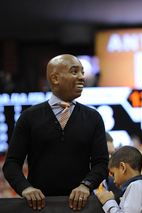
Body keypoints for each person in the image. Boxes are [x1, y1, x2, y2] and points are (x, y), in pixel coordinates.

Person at [2, 54, 109, 211]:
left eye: (82, 73)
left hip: (82, 206)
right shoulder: (29, 117)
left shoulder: (93, 117)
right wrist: (25, 188)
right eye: (74, 72)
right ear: (55, 78)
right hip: (39, 207)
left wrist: (86, 185)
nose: (82, 78)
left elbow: (101, 163)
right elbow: (11, 164)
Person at [96, 146, 142, 213]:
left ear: (123, 167)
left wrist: (108, 201)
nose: (114, 181)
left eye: (113, 174)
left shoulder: (136, 186)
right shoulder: (137, 185)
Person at [94, 132, 123, 204]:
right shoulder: (78, 184)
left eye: (112, 154)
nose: (110, 158)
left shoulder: (118, 185)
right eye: (106, 153)